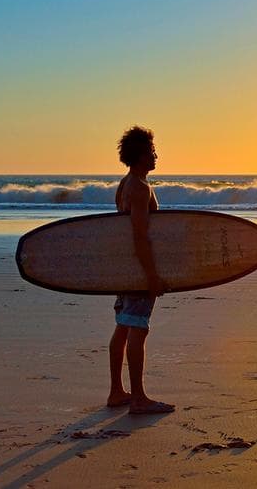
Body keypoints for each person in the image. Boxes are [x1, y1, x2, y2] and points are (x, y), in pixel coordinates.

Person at [106, 126, 175, 414]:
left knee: (124, 326)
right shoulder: (139, 188)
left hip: (126, 269)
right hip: (138, 270)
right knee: (138, 328)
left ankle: (117, 392)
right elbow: (139, 235)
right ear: (140, 154)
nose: (156, 155)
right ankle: (138, 398)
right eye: (152, 151)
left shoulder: (126, 183)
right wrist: (151, 275)